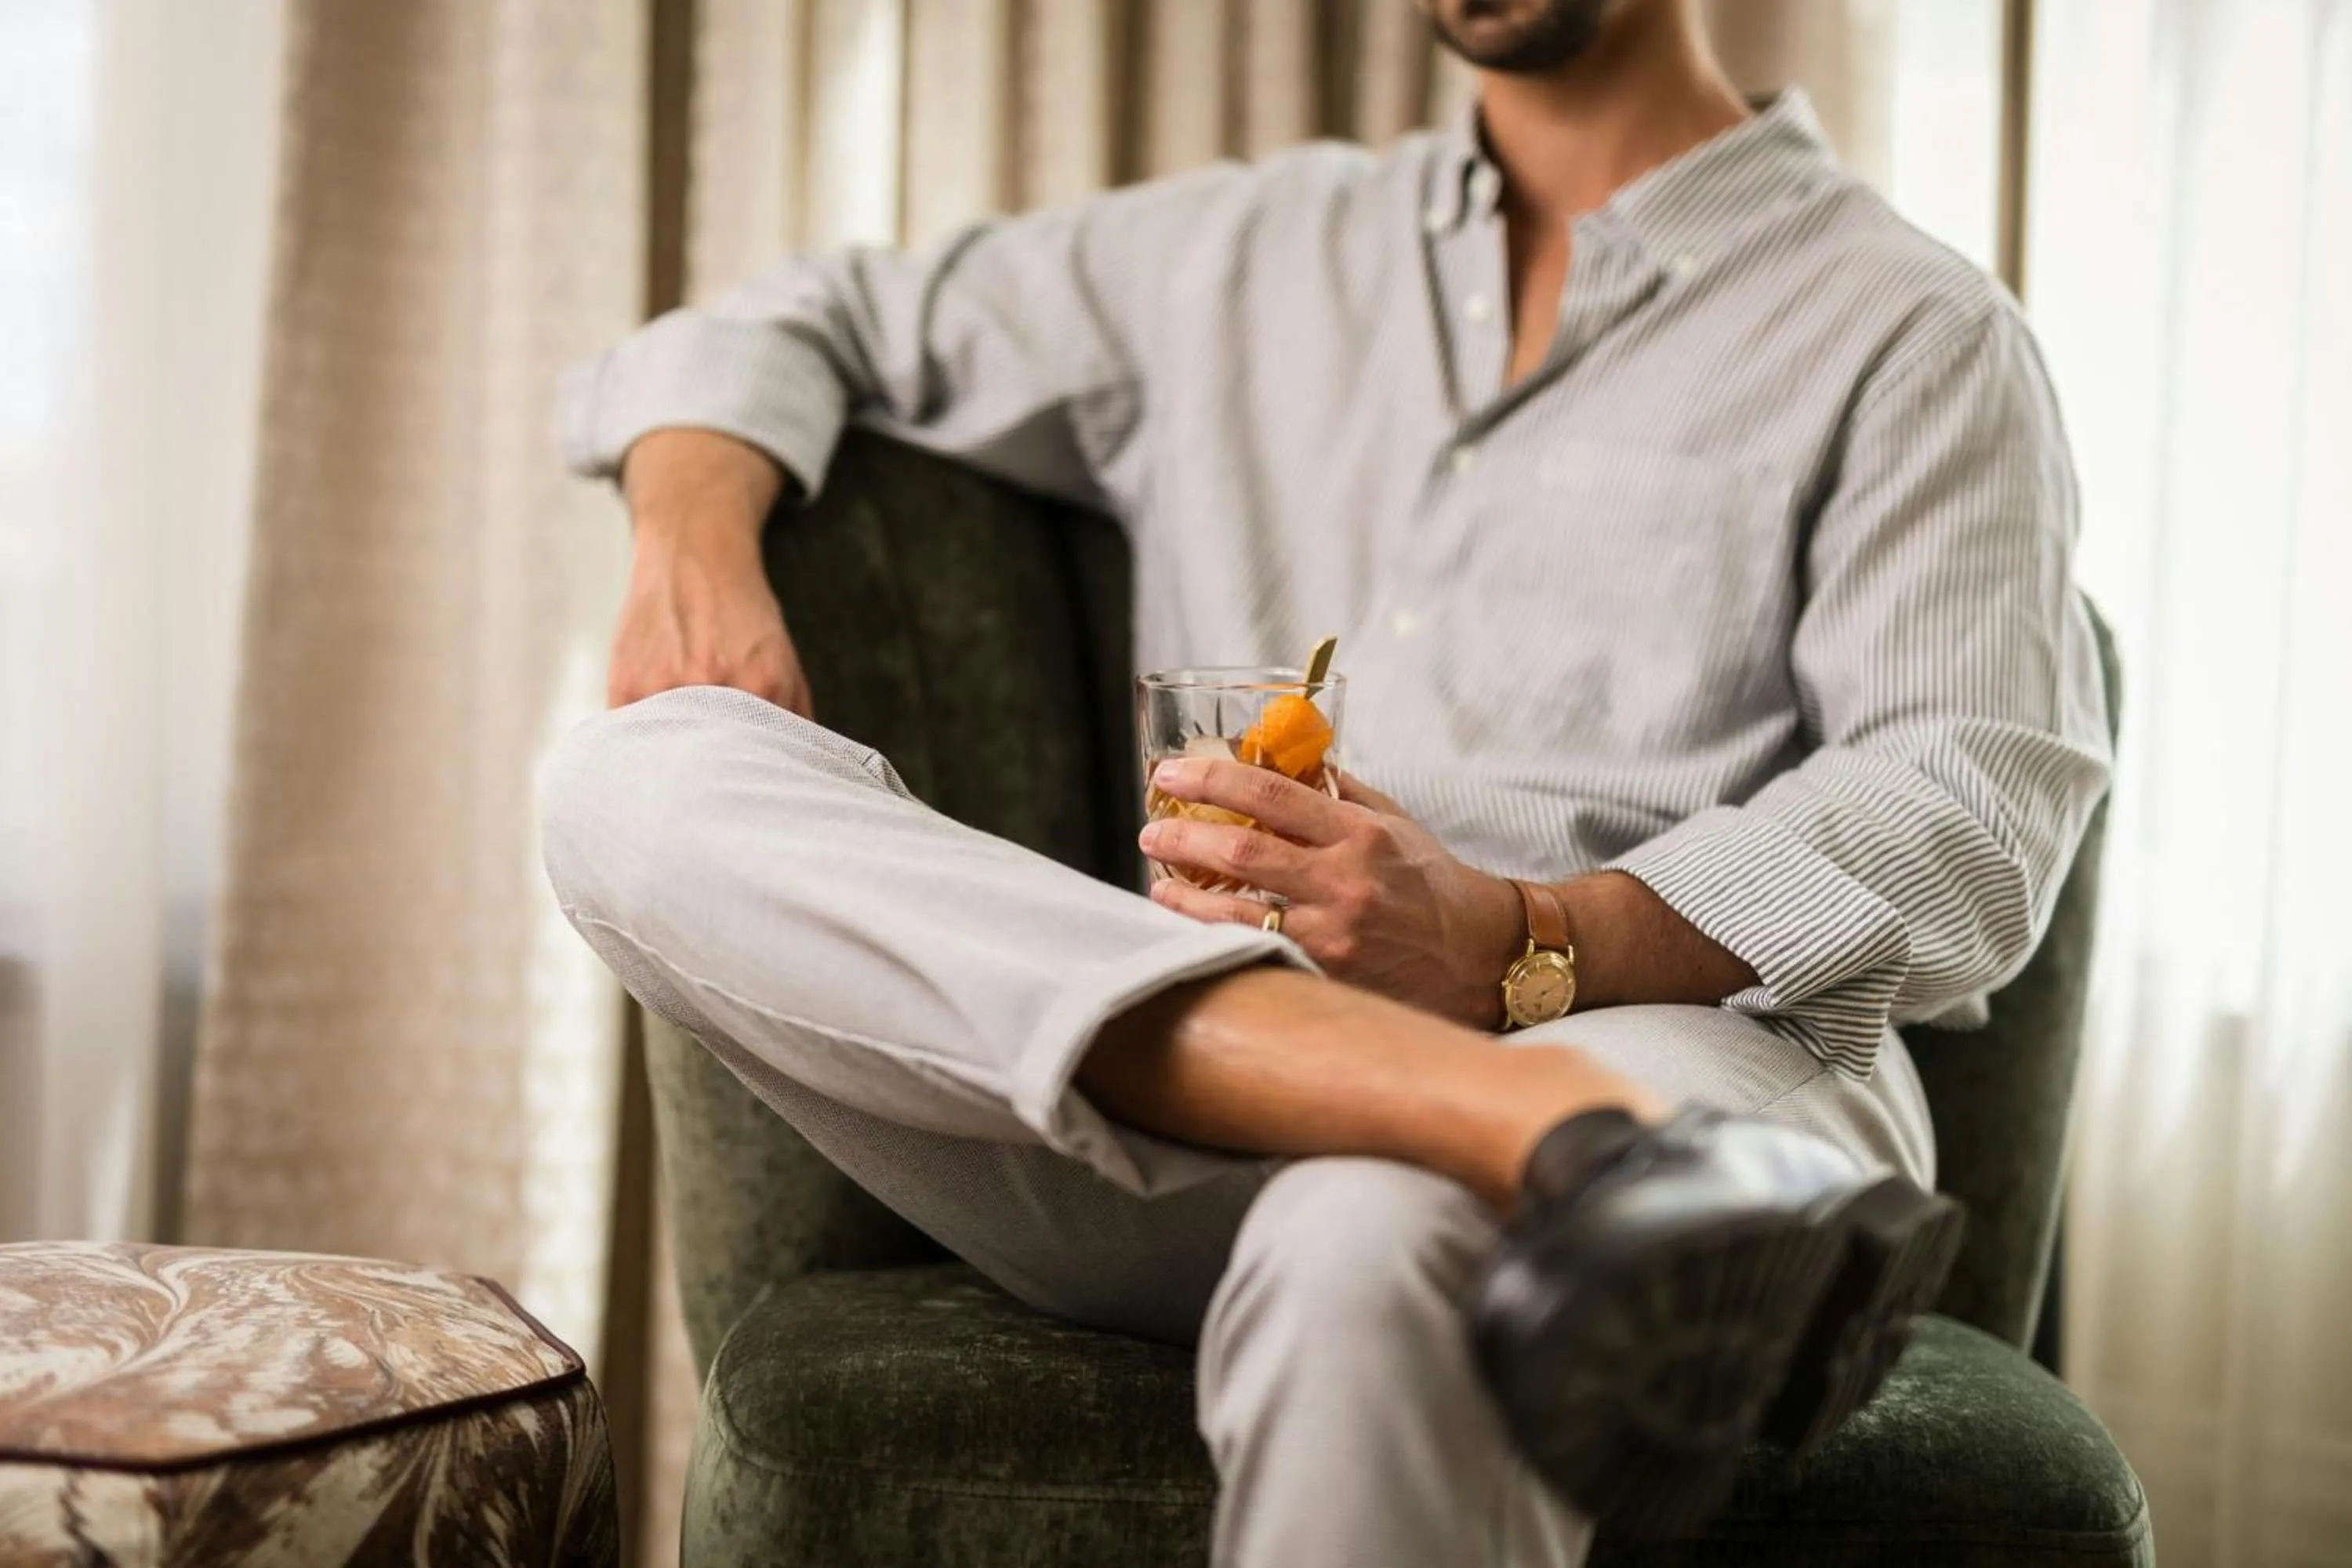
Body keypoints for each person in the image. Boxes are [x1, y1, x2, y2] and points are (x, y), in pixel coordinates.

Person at [541, 0, 2112, 1560]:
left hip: (1694, 1074)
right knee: (631, 780)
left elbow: (1965, 806)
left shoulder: (1918, 331)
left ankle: (1556, 1139)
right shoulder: (1235, 255)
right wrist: (694, 535)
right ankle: (1525, 1129)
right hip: (1175, 1095)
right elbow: (786, 317)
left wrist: (1513, 935)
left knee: (1374, 1235)